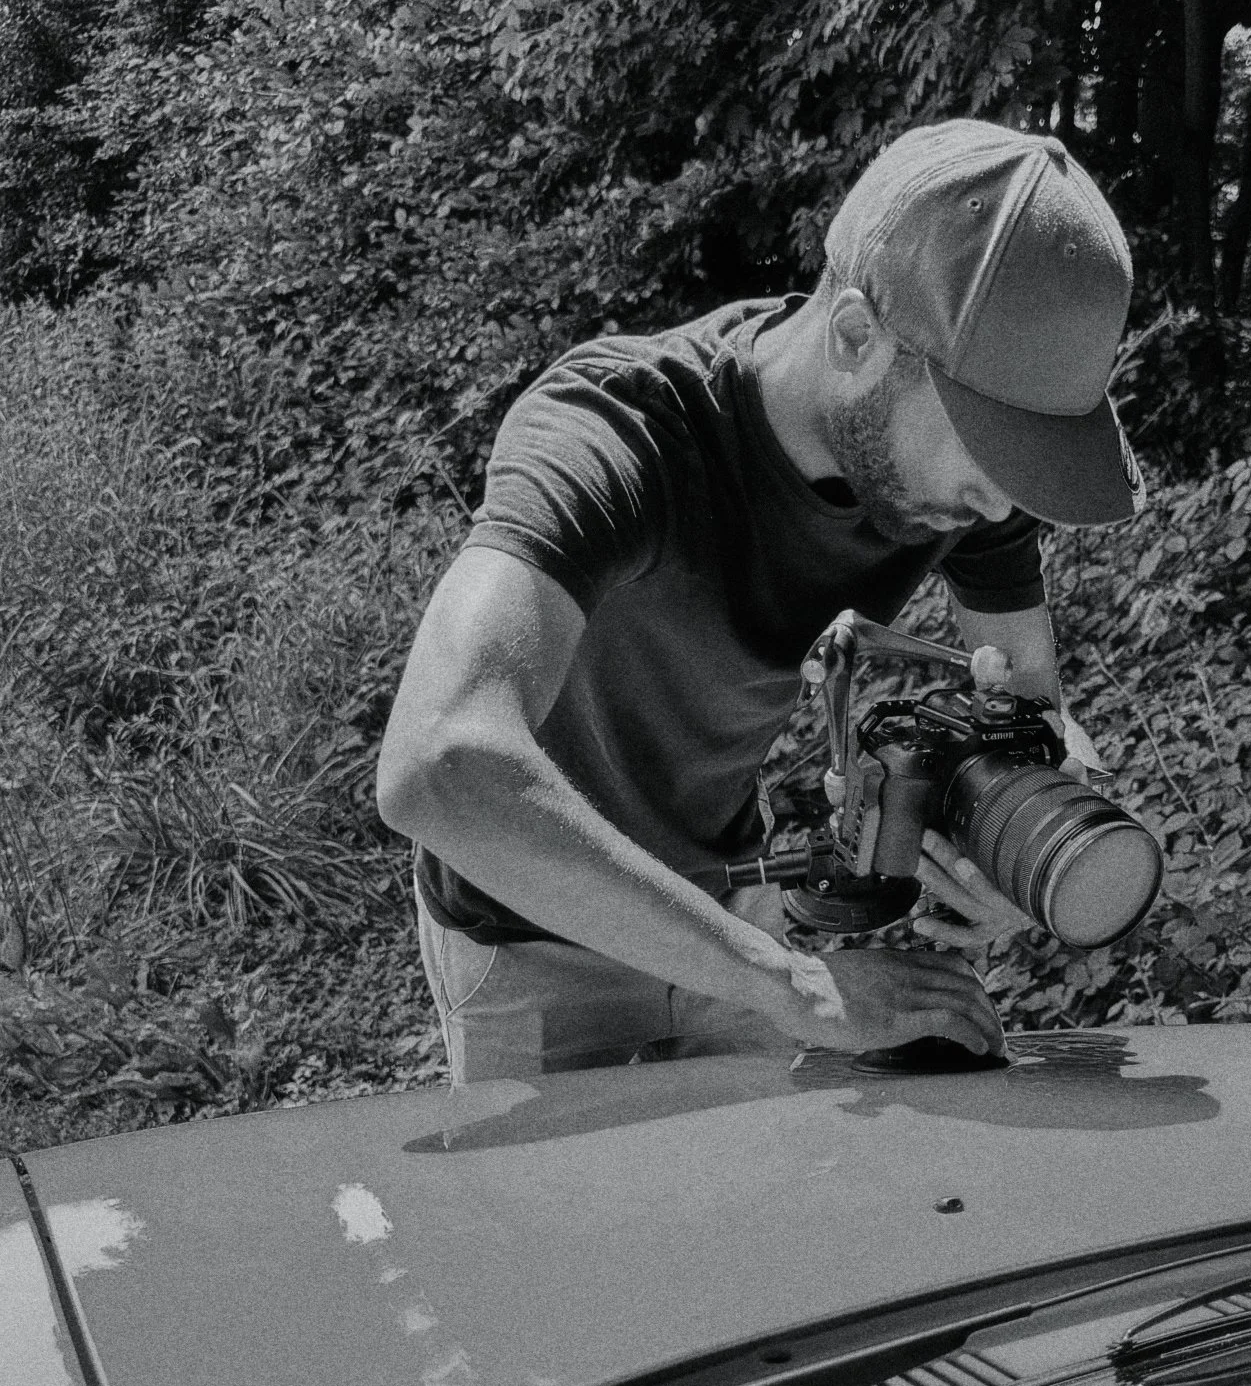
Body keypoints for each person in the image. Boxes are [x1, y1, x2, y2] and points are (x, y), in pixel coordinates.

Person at [375, 118, 1144, 1083]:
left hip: (735, 905)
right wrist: (797, 988)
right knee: (565, 1231)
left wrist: (1007, 854)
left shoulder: (963, 485)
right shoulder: (619, 432)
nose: (1002, 500)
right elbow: (438, 765)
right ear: (860, 337)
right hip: (532, 922)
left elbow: (1030, 708)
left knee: (743, 1217)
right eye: (990, 447)